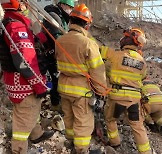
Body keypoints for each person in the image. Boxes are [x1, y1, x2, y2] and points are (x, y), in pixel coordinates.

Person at [0, 1, 54, 153]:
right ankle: (18, 148)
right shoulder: (17, 26)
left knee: (30, 110)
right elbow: (25, 60)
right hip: (24, 84)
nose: (26, 6)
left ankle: (36, 134)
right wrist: (39, 85)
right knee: (25, 115)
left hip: (14, 81)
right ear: (17, 4)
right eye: (24, 3)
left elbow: (27, 45)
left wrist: (41, 38)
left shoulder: (10, 22)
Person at [55, 3, 107, 154]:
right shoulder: (88, 44)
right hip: (81, 90)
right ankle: (82, 150)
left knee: (69, 117)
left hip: (64, 87)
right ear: (87, 24)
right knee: (83, 122)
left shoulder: (60, 40)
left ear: (71, 21)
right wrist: (101, 92)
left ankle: (71, 143)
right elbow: (97, 71)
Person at [101, 28, 152, 154]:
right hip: (134, 99)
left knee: (110, 120)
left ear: (128, 39)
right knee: (138, 126)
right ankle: (146, 152)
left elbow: (97, 49)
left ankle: (115, 143)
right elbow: (143, 77)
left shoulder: (114, 54)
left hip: (117, 96)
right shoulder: (142, 62)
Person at [43, 0, 75, 111]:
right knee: (56, 79)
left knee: (57, 79)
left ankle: (57, 101)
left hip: (57, 53)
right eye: (69, 7)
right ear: (62, 5)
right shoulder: (54, 16)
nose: (70, 10)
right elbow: (56, 38)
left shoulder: (62, 18)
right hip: (52, 54)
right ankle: (55, 105)